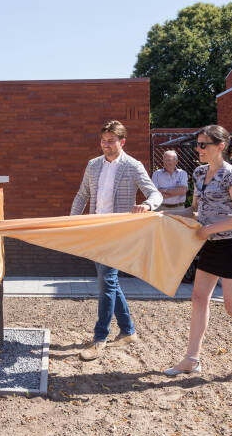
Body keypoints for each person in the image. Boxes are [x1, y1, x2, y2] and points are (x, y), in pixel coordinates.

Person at [165, 125, 232, 381]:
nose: (198, 149)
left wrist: (208, 229)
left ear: (220, 146)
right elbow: (194, 211)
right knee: (199, 299)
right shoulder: (199, 173)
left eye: (203, 145)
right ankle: (191, 359)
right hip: (210, 244)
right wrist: (161, 215)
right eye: (197, 145)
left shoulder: (231, 174)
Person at [70, 120, 163, 361]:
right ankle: (128, 331)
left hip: (119, 233)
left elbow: (155, 193)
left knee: (106, 282)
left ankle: (99, 338)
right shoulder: (92, 165)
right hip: (96, 231)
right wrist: (72, 221)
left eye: (111, 141)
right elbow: (83, 194)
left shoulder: (133, 166)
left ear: (122, 142)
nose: (105, 145)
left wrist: (146, 204)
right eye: (103, 141)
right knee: (108, 281)